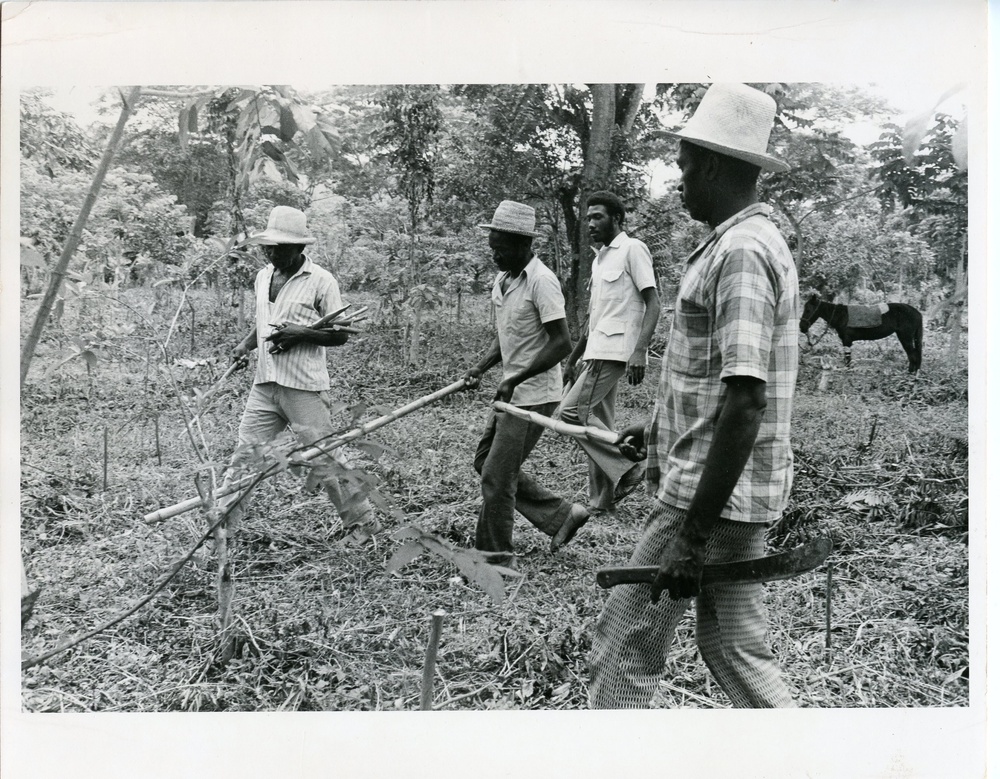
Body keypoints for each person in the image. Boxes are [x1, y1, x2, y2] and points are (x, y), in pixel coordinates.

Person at [589, 83, 801, 708]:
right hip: (734, 490)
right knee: (734, 647)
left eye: (683, 168)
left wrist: (692, 536)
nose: (679, 182)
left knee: (622, 648)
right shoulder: (738, 244)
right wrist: (654, 431)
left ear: (710, 164)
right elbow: (714, 379)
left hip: (706, 496)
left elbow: (745, 401)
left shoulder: (740, 252)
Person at [221, 205, 380, 544]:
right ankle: (221, 527)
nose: (272, 252)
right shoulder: (263, 276)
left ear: (300, 248)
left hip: (303, 386)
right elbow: (264, 320)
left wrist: (301, 333)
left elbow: (340, 334)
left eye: (281, 247)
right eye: (269, 246)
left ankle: (364, 527)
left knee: (326, 459)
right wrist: (244, 346)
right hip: (265, 384)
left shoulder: (321, 281)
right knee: (245, 455)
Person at [462, 201, 591, 566]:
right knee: (485, 463)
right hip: (511, 390)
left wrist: (517, 377)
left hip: (534, 396)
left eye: (499, 247)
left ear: (522, 244)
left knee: (496, 478)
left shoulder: (541, 281)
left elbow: (562, 342)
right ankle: (563, 515)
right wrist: (482, 367)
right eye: (492, 246)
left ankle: (494, 561)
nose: (494, 254)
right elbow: (506, 338)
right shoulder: (502, 281)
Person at [555, 191, 660, 538]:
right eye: (587, 218)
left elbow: (653, 303)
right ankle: (603, 501)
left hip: (616, 351)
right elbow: (593, 318)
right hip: (596, 350)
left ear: (617, 219)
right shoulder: (600, 260)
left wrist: (640, 350)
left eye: (597, 217)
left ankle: (631, 466)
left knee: (571, 416)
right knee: (599, 424)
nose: (590, 224)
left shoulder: (633, 249)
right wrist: (573, 358)